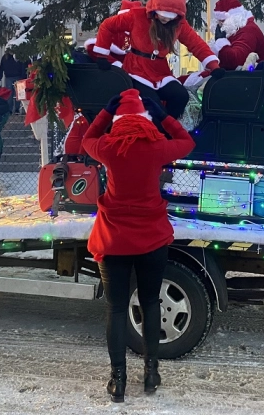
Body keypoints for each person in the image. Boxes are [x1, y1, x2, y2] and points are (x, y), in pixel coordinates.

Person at [82, 89, 196, 402]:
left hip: (114, 239)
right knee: (150, 304)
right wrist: (164, 118)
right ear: (146, 119)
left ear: (118, 120)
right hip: (151, 238)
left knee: (116, 308)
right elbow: (187, 143)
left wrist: (104, 115)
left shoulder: (108, 146)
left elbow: (86, 139)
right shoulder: (157, 146)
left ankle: (118, 380)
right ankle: (151, 373)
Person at [93, 0, 221, 119]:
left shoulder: (179, 25)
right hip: (136, 69)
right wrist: (102, 55)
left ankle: (168, 129)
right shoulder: (136, 16)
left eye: (170, 17)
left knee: (180, 96)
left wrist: (213, 66)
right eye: (162, 15)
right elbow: (107, 26)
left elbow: (196, 44)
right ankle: (157, 133)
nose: (165, 19)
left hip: (160, 71)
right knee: (152, 104)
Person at [210, 0, 264, 70]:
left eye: (223, 21)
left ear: (234, 17)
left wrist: (221, 42)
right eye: (218, 21)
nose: (220, 25)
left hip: (243, 79)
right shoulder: (235, 31)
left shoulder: (248, 31)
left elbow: (236, 61)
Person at [84, 0, 143, 64]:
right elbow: (93, 47)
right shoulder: (113, 31)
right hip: (116, 66)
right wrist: (114, 63)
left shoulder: (141, 32)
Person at [0, 48, 27, 115]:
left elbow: (23, 66)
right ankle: (11, 109)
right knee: (11, 94)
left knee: (18, 94)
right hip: (11, 77)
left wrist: (23, 76)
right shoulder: (5, 58)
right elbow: (1, 67)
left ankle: (16, 109)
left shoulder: (17, 57)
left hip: (17, 77)